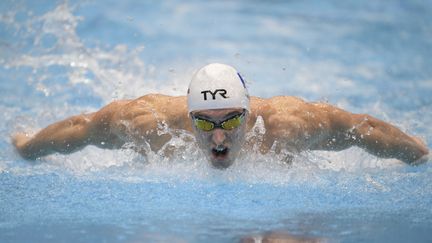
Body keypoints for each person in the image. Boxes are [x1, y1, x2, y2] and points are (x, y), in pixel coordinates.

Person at [12, 63, 429, 169]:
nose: (218, 138)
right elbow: (82, 128)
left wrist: (420, 155)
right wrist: (28, 147)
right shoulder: (149, 124)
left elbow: (362, 129)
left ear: (249, 116)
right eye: (205, 123)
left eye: (231, 120)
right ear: (188, 118)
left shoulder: (288, 125)